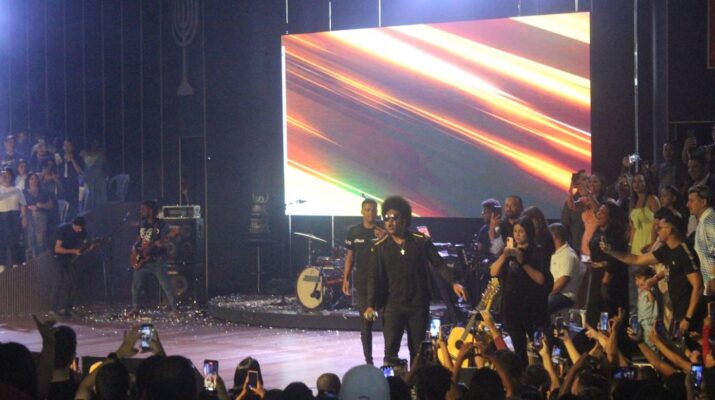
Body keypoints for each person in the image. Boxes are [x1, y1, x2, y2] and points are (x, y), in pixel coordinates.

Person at [365, 195, 466, 364]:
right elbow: (373, 277)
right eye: (386, 218)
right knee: (390, 352)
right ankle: (390, 380)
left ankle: (417, 380)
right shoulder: (379, 246)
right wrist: (370, 304)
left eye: (394, 218)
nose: (389, 222)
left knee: (418, 352)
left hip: (418, 305)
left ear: (404, 220)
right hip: (392, 307)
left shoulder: (420, 242)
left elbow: (439, 264)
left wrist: (453, 282)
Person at [602, 211, 703, 335]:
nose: (656, 231)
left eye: (659, 228)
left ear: (669, 230)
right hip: (676, 309)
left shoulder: (684, 252)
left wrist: (688, 317)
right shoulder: (666, 250)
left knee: (689, 344)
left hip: (688, 311)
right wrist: (611, 251)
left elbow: (698, 286)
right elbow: (637, 259)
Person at [490, 216, 553, 365]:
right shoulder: (509, 251)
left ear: (528, 232)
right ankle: (522, 373)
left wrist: (522, 261)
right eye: (515, 231)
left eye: (521, 231)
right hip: (512, 307)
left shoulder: (538, 251)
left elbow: (541, 279)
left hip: (532, 307)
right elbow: (493, 272)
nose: (517, 235)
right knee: (519, 348)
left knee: (539, 347)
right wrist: (504, 256)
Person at [342, 198, 385, 365]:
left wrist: (385, 237)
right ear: (362, 212)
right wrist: (345, 279)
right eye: (368, 209)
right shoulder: (354, 232)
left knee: (387, 321)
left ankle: (390, 358)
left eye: (374, 210)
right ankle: (369, 361)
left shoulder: (382, 231)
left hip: (381, 282)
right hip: (362, 283)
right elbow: (349, 256)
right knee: (366, 323)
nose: (371, 213)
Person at [129, 200, 177, 317]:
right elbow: (139, 238)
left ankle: (175, 309)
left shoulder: (161, 225)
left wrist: (162, 243)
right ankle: (135, 308)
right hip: (143, 260)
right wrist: (134, 249)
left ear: (150, 210)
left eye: (143, 209)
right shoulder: (143, 224)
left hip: (157, 260)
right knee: (136, 286)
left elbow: (168, 240)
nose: (140, 211)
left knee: (166, 285)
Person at [587, 201, 630, 327]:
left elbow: (614, 258)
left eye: (602, 212)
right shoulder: (598, 231)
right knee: (593, 311)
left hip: (609, 276)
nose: (598, 214)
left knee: (606, 309)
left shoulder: (616, 234)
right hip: (596, 274)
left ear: (610, 217)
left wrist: (606, 278)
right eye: (598, 212)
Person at [52, 216, 89, 317]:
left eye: (81, 228)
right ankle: (55, 308)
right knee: (60, 282)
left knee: (73, 282)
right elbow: (57, 249)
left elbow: (85, 243)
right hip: (58, 257)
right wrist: (74, 251)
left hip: (70, 259)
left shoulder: (82, 231)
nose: (79, 230)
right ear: (74, 225)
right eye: (78, 228)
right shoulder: (63, 230)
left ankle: (68, 307)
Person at [547, 223, 582, 315]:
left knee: (539, 304)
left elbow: (562, 282)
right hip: (553, 293)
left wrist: (544, 293)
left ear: (553, 236)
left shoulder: (568, 255)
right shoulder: (554, 253)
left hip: (564, 296)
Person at [687, 184, 715, 298]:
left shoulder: (710, 221)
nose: (687, 204)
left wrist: (713, 279)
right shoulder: (703, 222)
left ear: (703, 202)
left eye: (692, 201)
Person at [0, 167, 26, 272]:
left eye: (8, 175)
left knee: (14, 239)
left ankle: (15, 262)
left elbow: (23, 204)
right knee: (2, 240)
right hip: (2, 216)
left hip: (15, 215)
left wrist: (24, 217)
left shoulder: (17, 190)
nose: (7, 177)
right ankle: (2, 263)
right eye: (4, 175)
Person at [24, 173, 53, 258]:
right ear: (28, 180)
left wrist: (41, 206)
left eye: (36, 178)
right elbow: (21, 205)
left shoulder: (43, 191)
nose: (34, 180)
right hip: (28, 216)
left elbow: (50, 205)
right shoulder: (24, 192)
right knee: (30, 239)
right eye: (31, 178)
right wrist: (30, 207)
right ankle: (31, 259)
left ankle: (40, 258)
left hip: (41, 216)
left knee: (40, 240)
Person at [56, 140, 84, 218]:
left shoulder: (77, 157)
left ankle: (72, 220)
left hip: (72, 182)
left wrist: (72, 159)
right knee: (63, 202)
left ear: (72, 146)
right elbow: (57, 169)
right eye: (65, 145)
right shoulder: (60, 157)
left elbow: (79, 171)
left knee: (73, 204)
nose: (67, 147)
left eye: (69, 145)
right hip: (62, 182)